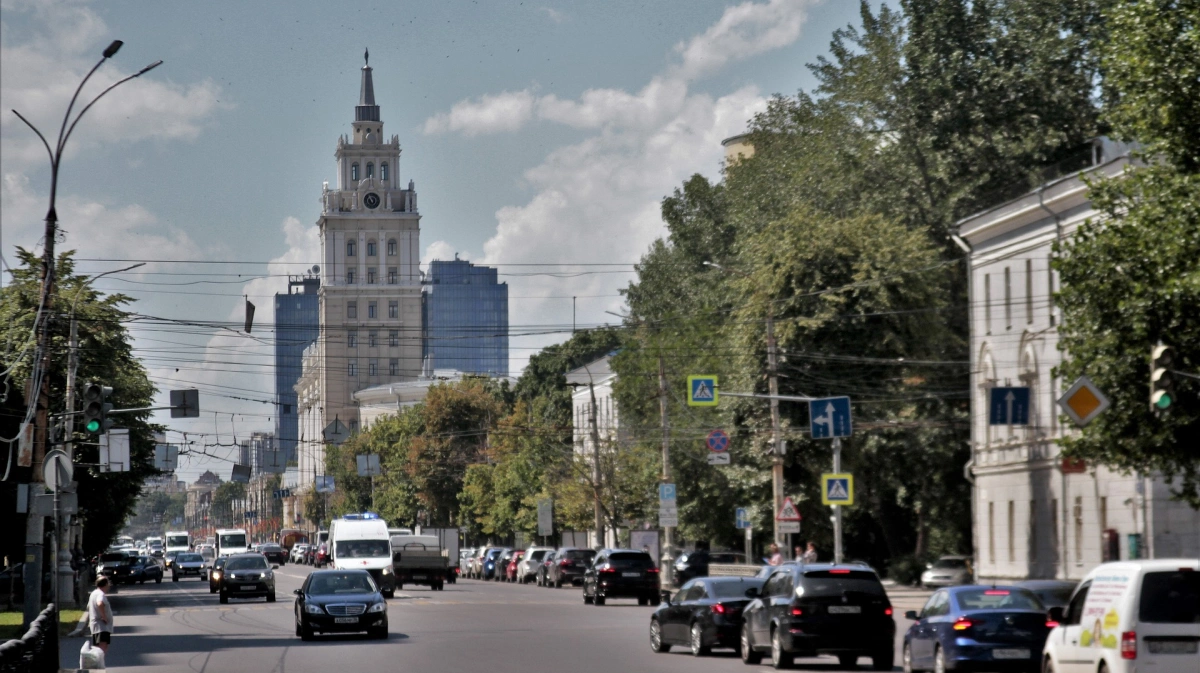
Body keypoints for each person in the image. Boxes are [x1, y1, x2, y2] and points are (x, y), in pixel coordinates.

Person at [88, 576, 113, 655]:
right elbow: (100, 603)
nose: (109, 585)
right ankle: (98, 664)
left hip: (96, 625)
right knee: (102, 648)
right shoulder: (100, 594)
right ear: (105, 584)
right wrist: (104, 616)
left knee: (98, 648)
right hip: (101, 626)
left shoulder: (94, 593)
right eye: (108, 583)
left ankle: (97, 664)